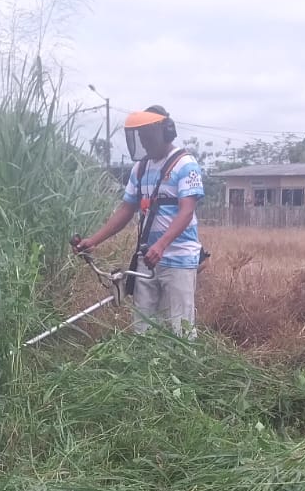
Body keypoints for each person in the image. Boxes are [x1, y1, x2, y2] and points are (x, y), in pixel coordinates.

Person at [72, 104, 205, 336]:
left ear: (166, 132)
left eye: (148, 136)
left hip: (179, 259)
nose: (144, 142)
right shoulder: (140, 168)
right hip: (147, 259)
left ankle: (183, 360)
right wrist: (94, 241)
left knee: (180, 329)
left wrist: (161, 245)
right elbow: (126, 209)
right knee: (143, 328)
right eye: (141, 137)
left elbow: (186, 212)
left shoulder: (185, 165)